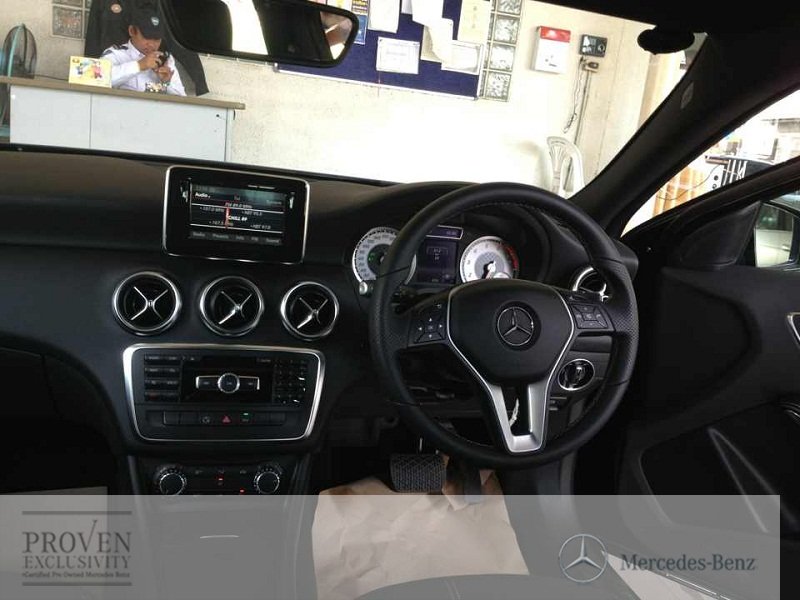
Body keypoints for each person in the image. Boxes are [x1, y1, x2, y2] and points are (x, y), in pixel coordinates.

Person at [101, 6, 186, 96]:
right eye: (147, 37)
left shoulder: (164, 58)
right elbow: (99, 79)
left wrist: (166, 83)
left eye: (157, 39)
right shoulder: (116, 54)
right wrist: (140, 65)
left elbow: (183, 98)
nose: (152, 44)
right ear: (131, 31)